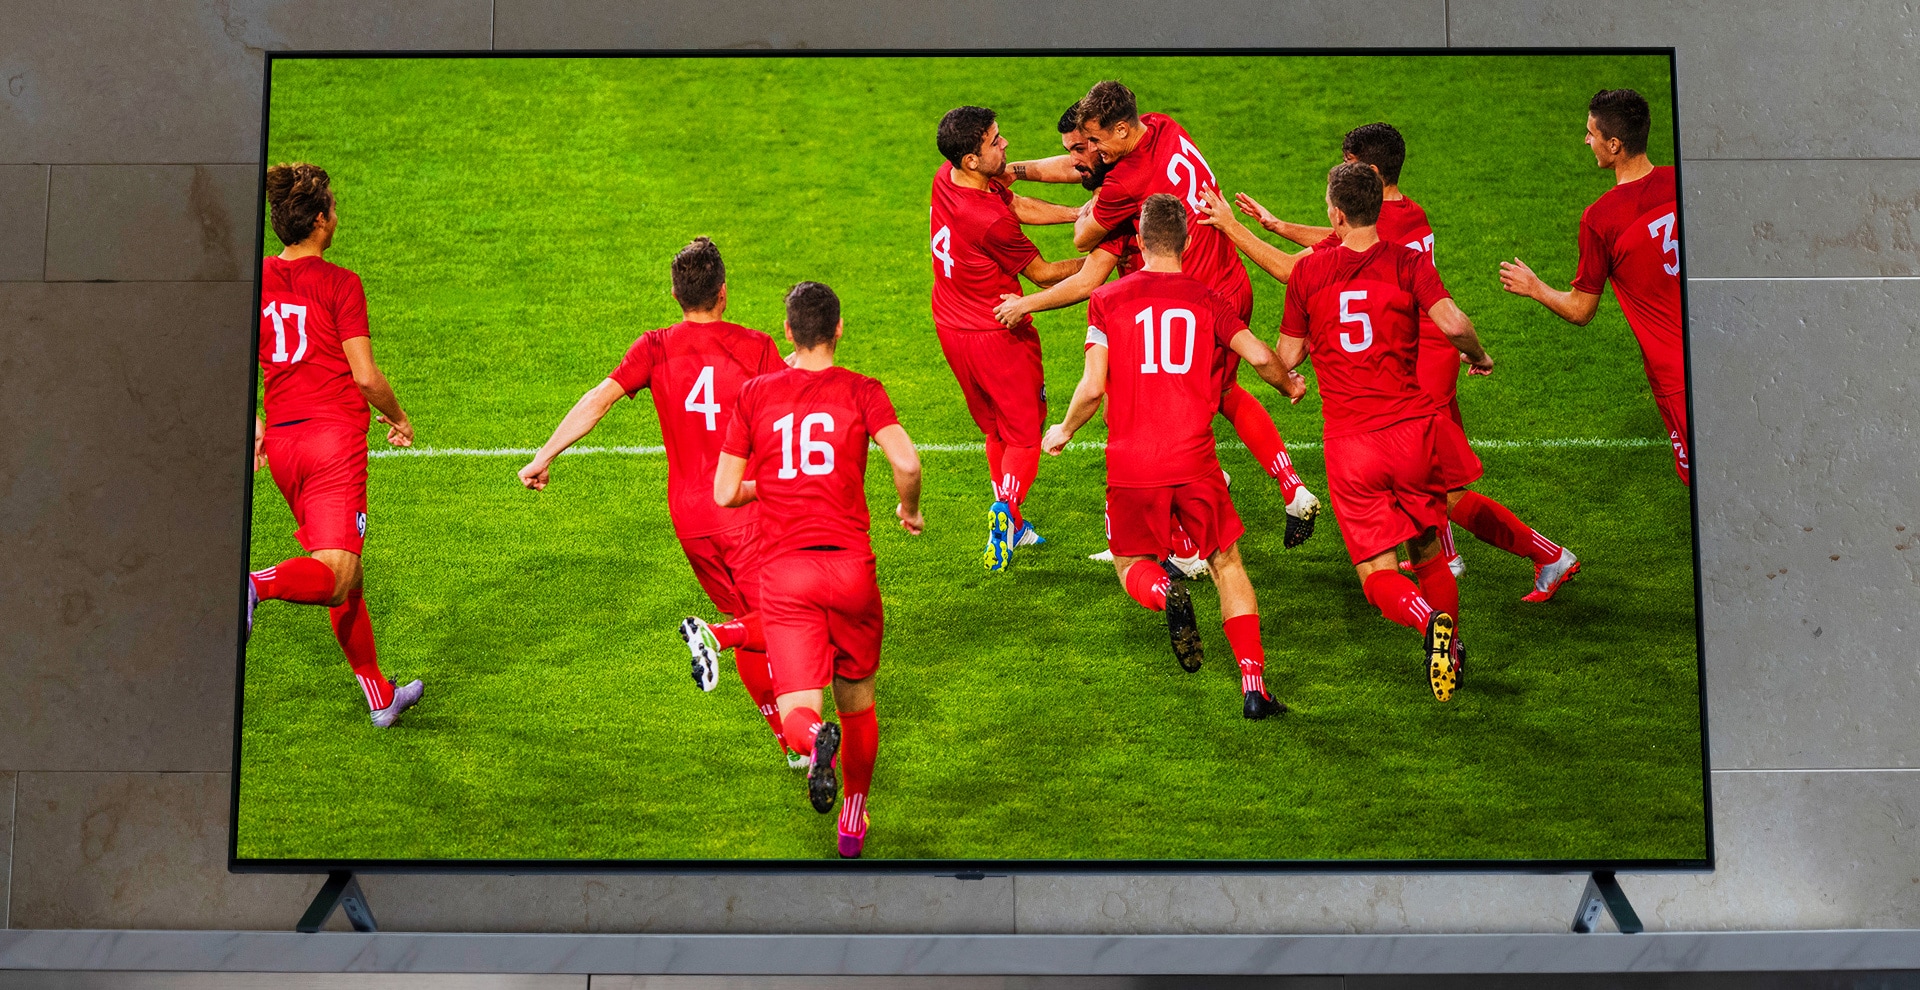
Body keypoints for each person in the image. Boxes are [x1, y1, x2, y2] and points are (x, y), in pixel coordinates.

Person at [1216, 123, 1579, 601]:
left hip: (1413, 364)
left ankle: (1546, 554)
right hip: (1428, 352)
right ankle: (1448, 555)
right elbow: (1336, 233)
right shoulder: (1406, 212)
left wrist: (1232, 228)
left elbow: (1295, 269)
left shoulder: (1380, 228)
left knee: (1444, 492)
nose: (1341, 169)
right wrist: (1279, 225)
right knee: (1430, 485)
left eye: (1347, 163)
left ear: (1367, 170)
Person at [517, 238, 797, 765]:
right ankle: (719, 641)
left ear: (675, 293)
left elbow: (597, 401)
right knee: (782, 621)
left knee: (747, 617)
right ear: (723, 293)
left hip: (690, 520)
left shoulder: (654, 347)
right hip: (743, 511)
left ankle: (789, 744)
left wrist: (544, 454)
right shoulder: (755, 346)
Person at [1043, 194, 1307, 719]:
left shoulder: (1109, 300)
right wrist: (1288, 382)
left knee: (1129, 562)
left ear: (1138, 242)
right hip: (1195, 461)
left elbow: (1093, 387)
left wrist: (1064, 429)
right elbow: (1257, 355)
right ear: (1186, 241)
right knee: (1226, 563)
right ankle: (1254, 688)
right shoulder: (1208, 299)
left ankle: (1165, 590)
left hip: (1131, 464)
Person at [714, 281, 924, 858]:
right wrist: (908, 508)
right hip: (852, 570)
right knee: (858, 702)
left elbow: (726, 492)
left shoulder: (755, 394)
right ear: (838, 330)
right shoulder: (863, 390)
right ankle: (853, 817)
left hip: (786, 577)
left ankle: (813, 743)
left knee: (800, 709)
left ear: (788, 332)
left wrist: (777, 485)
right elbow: (906, 462)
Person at [1277, 163, 1498, 702]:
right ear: (1379, 207)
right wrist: (1479, 355)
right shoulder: (1408, 262)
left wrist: (1292, 379)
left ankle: (1427, 626)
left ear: (1334, 213)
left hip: (1352, 446)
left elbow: (1287, 356)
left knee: (1377, 574)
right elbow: (1454, 324)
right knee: (1428, 551)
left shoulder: (1309, 273)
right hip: (1412, 433)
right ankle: (1454, 646)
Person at [1070, 81, 1321, 547]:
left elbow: (1084, 241)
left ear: (1121, 130)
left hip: (1193, 297)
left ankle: (1183, 543)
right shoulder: (1164, 125)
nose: (1095, 152)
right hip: (1230, 278)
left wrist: (1084, 210)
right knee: (1222, 391)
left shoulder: (1127, 180)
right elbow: (1079, 169)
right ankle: (1291, 487)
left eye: (1099, 141)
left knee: (1154, 407)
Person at [247, 162, 424, 728]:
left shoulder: (260, 278)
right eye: (335, 210)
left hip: (283, 446)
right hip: (332, 444)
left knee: (346, 570)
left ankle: (380, 696)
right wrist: (398, 417)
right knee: (338, 576)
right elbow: (366, 376)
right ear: (321, 221)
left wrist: (253, 420)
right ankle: (254, 585)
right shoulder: (340, 283)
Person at [1500, 88, 1690, 485]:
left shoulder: (1602, 218)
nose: (1587, 140)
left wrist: (1535, 287)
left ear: (1614, 144)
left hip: (1674, 373)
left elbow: (1581, 310)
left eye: (1591, 133)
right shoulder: (1683, 181)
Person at [929, 106, 1082, 572]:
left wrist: (1078, 212)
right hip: (997, 334)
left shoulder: (946, 177)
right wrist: (1104, 254)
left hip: (951, 326)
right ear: (972, 159)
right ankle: (1007, 508)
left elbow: (1010, 202)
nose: (1005, 145)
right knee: (1025, 438)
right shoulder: (989, 222)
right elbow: (1044, 276)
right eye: (995, 141)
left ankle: (1011, 525)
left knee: (994, 429)